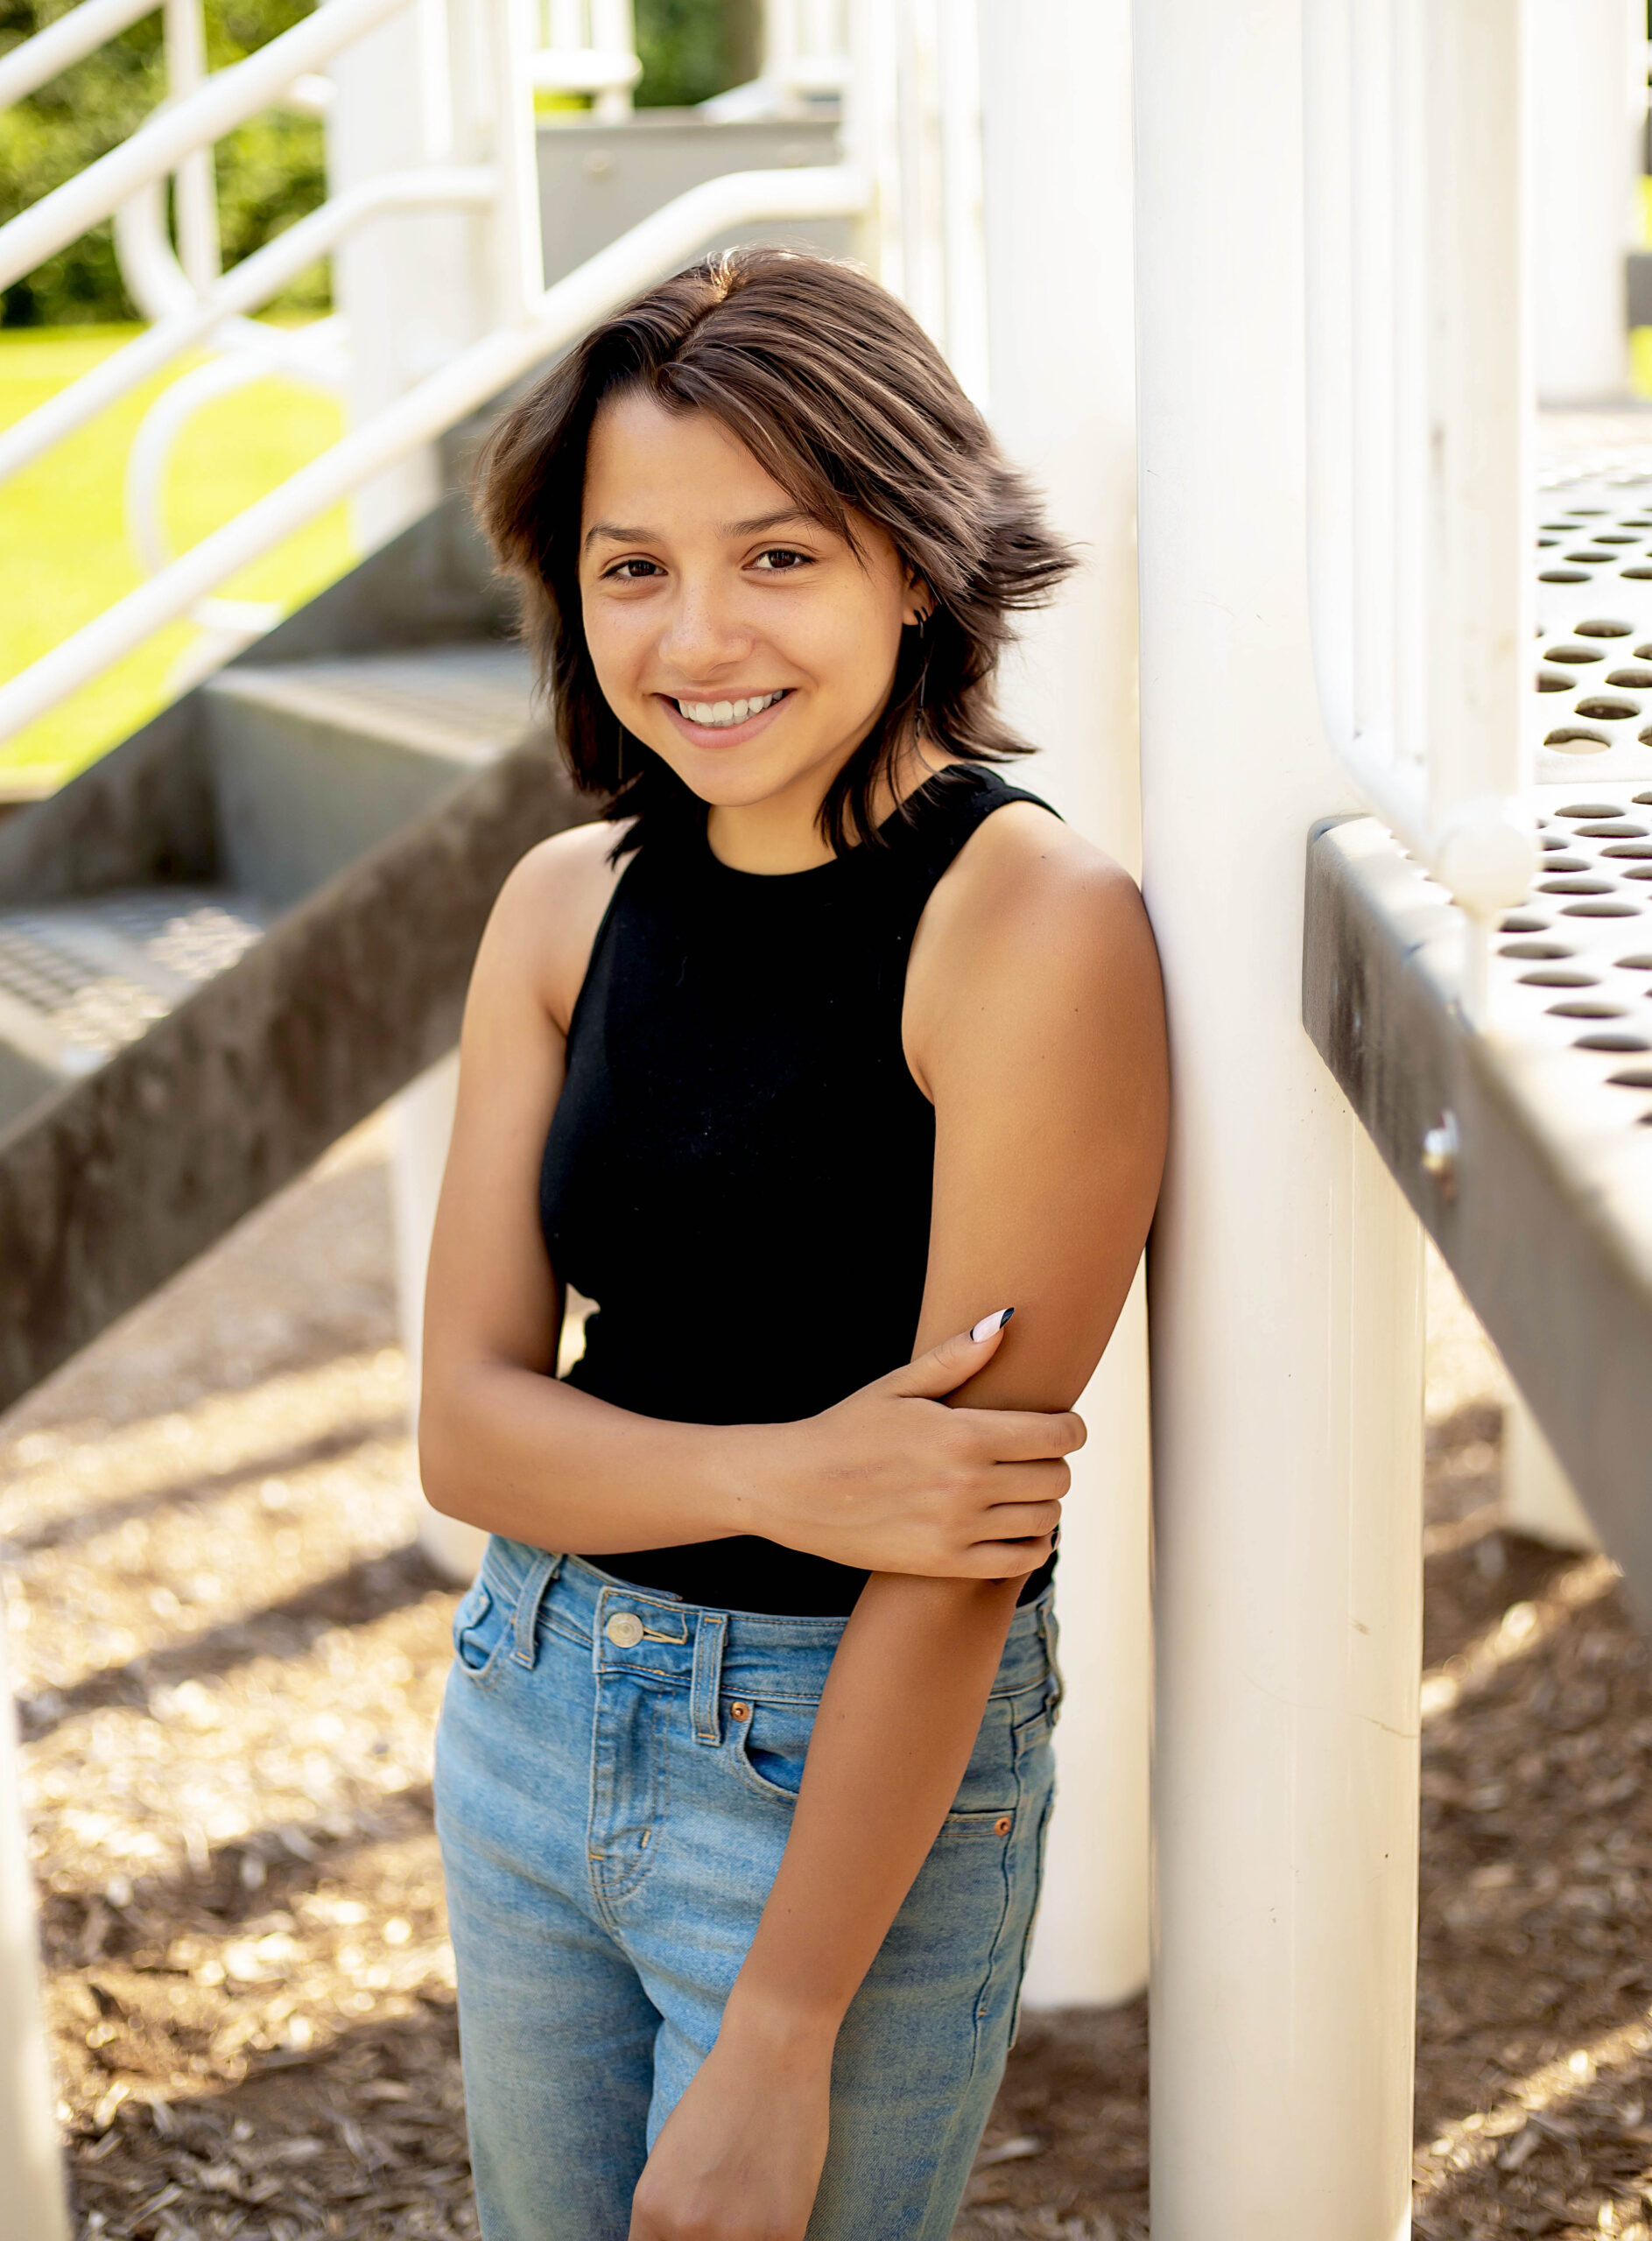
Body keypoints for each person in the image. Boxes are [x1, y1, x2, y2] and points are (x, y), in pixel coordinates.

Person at [420, 246, 1168, 2241]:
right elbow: (466, 1436)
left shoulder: (1027, 922)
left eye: (778, 555)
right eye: (628, 566)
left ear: (912, 563)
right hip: (528, 1687)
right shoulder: (563, 905)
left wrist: (780, 2026)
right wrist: (793, 1469)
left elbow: (953, 1542)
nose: (695, 637)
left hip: (842, 1767)